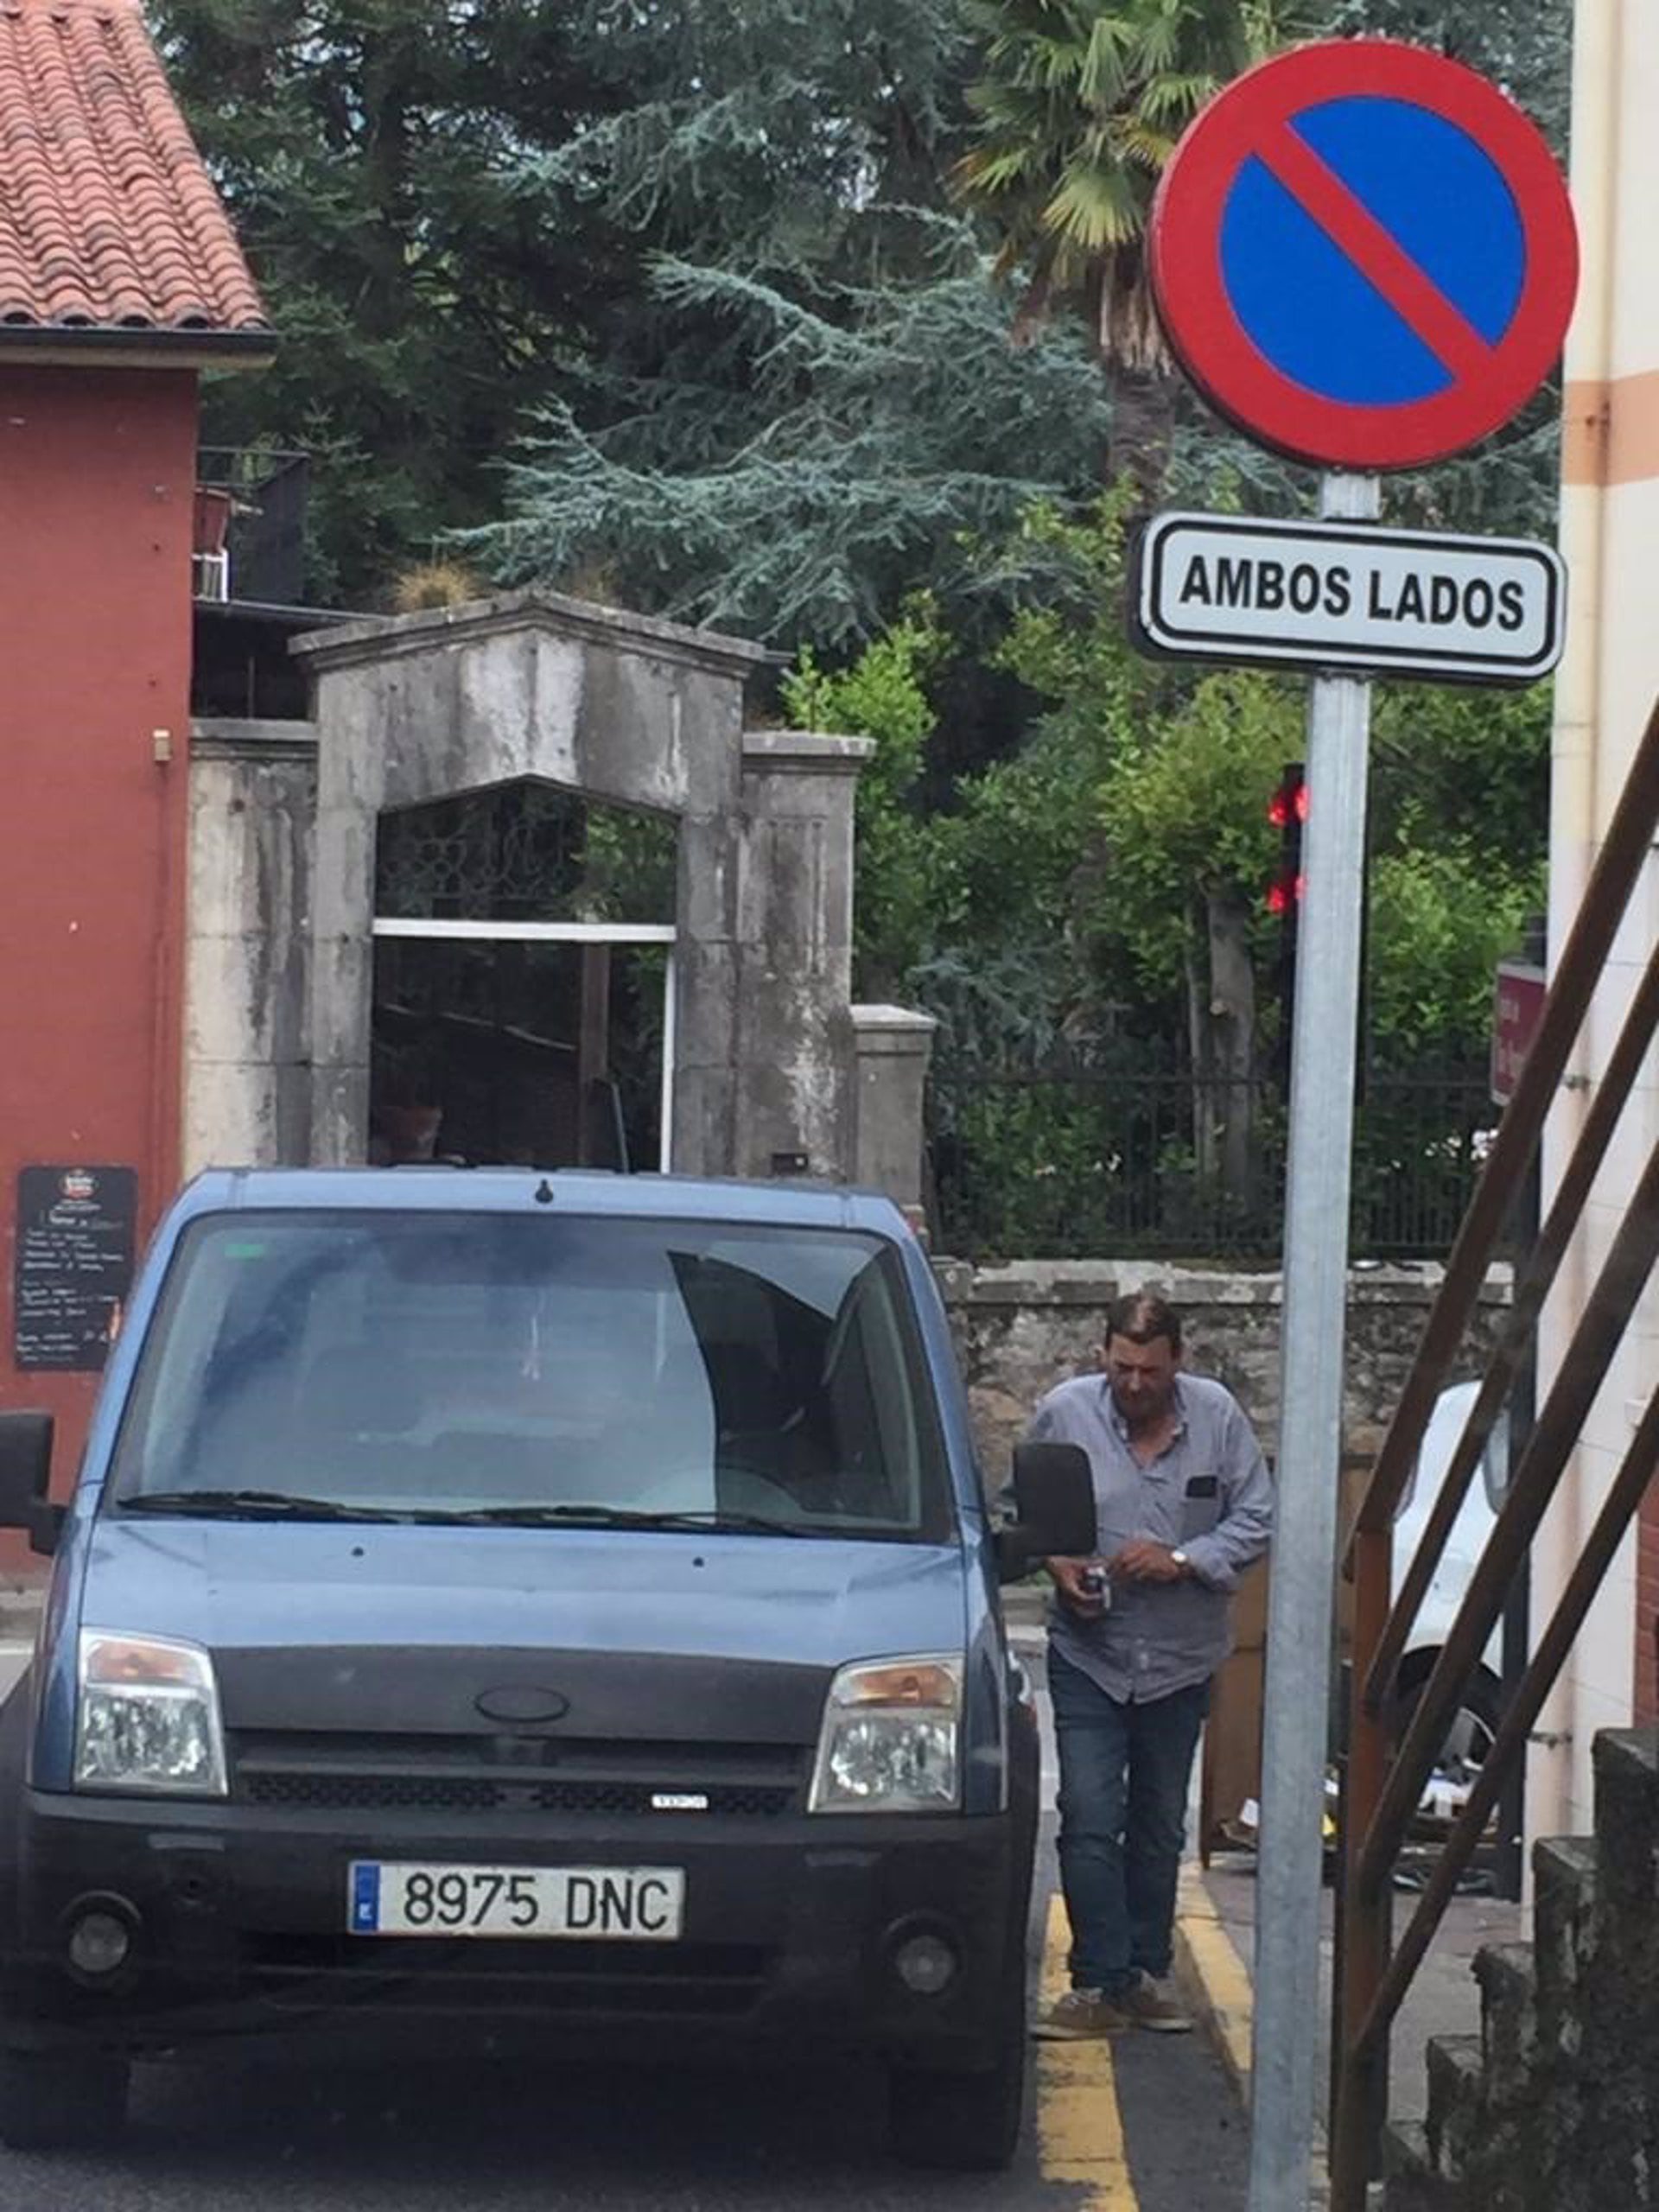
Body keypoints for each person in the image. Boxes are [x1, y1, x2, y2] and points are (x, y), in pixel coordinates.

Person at [1027, 1289, 1274, 2038]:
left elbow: (1259, 1515)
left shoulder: (1219, 1418)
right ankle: (1096, 1980)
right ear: (1103, 1353)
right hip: (1089, 1653)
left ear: (1179, 1363)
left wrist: (1183, 1559)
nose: (1135, 1385)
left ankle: (1143, 1970)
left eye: (1151, 1373)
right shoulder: (1064, 1414)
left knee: (1159, 1822)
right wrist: (1058, 1564)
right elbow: (1022, 1510)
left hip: (1178, 1659)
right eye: (1123, 1367)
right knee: (1090, 1815)